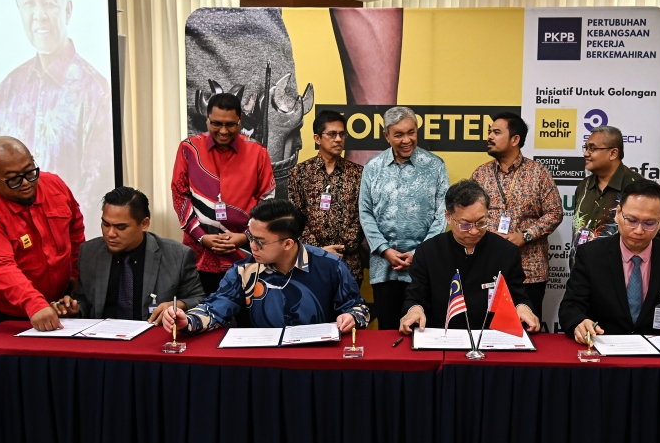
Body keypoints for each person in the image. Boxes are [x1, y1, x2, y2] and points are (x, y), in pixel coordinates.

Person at [0, 0, 113, 212]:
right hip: (12, 238)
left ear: (67, 9)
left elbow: (94, 191)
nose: (39, 15)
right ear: (18, 8)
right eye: (28, 3)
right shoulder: (8, 88)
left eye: (49, 3)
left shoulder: (95, 91)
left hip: (65, 243)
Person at [559, 179, 660, 347]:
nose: (638, 231)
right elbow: (571, 306)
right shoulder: (591, 255)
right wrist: (578, 322)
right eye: (631, 220)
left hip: (654, 355)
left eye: (649, 223)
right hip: (603, 349)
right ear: (618, 214)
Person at [163, 199, 369, 334]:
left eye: (259, 241)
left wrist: (350, 316)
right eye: (250, 237)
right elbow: (216, 308)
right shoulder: (243, 271)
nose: (251, 246)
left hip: (316, 358)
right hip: (261, 361)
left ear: (288, 243)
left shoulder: (330, 266)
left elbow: (358, 308)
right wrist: (187, 321)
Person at [0, 136, 85, 333]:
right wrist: (34, 303)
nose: (26, 183)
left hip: (50, 303)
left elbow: (75, 230)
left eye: (30, 172)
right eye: (14, 179)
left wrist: (74, 274)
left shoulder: (54, 186)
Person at [399, 181, 539, 334]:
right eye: (465, 225)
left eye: (481, 223)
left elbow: (518, 297)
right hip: (442, 337)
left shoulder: (506, 251)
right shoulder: (428, 251)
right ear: (448, 216)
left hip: (491, 337)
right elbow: (415, 298)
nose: (474, 231)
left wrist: (524, 308)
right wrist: (414, 311)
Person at [172, 91, 276, 296]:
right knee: (202, 317)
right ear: (207, 119)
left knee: (248, 322)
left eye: (231, 124)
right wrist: (202, 237)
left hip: (246, 254)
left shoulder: (258, 152)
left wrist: (245, 236)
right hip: (200, 254)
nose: (223, 131)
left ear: (240, 120)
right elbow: (179, 196)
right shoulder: (189, 149)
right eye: (216, 124)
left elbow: (268, 200)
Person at [51, 187, 204, 322]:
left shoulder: (177, 256)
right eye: (105, 224)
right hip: (103, 343)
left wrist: (177, 305)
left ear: (144, 224)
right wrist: (74, 309)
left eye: (120, 227)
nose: (110, 233)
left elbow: (199, 300)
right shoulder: (90, 253)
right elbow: (85, 302)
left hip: (150, 343)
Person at [359, 106, 449, 329]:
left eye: (411, 132)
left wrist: (419, 254)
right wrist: (385, 250)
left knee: (424, 332)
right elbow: (365, 212)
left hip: (424, 268)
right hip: (384, 267)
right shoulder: (373, 167)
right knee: (388, 333)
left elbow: (443, 214)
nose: (406, 139)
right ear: (386, 135)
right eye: (398, 134)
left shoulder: (435, 166)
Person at [470, 113, 562, 321]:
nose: (489, 137)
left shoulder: (538, 173)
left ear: (515, 139)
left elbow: (555, 212)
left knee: (526, 331)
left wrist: (525, 235)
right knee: (486, 330)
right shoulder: (480, 174)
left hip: (529, 270)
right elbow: (468, 215)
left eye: (496, 132)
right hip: (488, 269)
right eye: (489, 132)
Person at [569, 125, 660, 269]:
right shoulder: (583, 187)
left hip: (622, 277)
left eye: (592, 148)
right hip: (581, 275)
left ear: (613, 153)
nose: (586, 153)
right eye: (585, 148)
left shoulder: (638, 188)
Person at [288, 110, 364, 283]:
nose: (338, 139)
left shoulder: (358, 174)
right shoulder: (299, 173)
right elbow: (295, 216)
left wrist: (339, 248)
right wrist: (319, 250)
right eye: (332, 134)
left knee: (346, 309)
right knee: (311, 308)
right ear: (317, 138)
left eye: (342, 134)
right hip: (309, 259)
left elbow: (363, 217)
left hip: (348, 262)